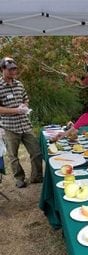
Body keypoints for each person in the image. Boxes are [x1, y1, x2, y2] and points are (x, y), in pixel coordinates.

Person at [0, 57, 43, 188]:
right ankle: (19, 178)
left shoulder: (19, 84)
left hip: (25, 124)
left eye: (14, 69)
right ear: (2, 69)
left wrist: (24, 106)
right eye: (10, 69)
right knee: (13, 156)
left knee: (36, 152)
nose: (13, 71)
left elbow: (25, 98)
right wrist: (15, 110)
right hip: (10, 127)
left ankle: (36, 176)